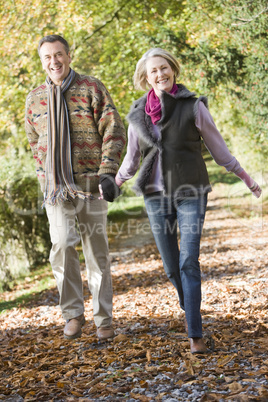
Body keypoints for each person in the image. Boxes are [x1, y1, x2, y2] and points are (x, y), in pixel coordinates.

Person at [115, 48, 262, 354]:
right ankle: (190, 306)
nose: (160, 74)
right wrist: (113, 184)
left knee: (188, 262)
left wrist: (247, 179)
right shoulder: (138, 114)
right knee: (171, 268)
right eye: (153, 71)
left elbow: (220, 150)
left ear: (174, 70)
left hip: (191, 193)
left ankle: (195, 332)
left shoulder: (193, 106)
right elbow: (131, 160)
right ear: (146, 78)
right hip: (156, 198)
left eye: (164, 68)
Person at [25, 35, 126, 340]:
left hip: (91, 184)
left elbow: (114, 129)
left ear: (69, 56)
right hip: (55, 188)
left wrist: (108, 173)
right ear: (42, 61)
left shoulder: (91, 87)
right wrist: (46, 177)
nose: (53, 61)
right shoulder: (35, 98)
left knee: (96, 251)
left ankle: (103, 320)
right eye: (47, 57)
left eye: (58, 55)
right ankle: (72, 314)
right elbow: (34, 142)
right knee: (62, 246)